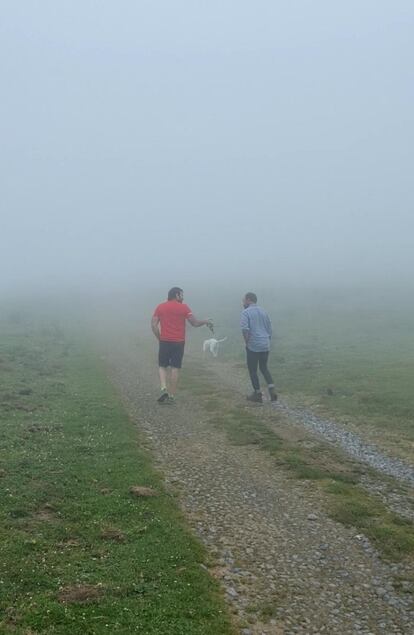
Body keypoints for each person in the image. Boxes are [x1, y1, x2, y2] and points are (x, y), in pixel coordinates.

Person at [151, 287, 213, 404]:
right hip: (179, 342)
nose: (183, 297)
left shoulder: (160, 307)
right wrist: (205, 321)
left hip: (164, 341)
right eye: (182, 295)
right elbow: (194, 323)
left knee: (162, 366)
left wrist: (159, 338)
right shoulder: (184, 308)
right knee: (175, 368)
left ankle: (163, 387)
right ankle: (172, 395)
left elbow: (153, 325)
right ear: (177, 295)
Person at [240, 292, 277, 403]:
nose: (243, 302)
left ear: (248, 299)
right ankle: (272, 390)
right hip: (265, 343)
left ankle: (257, 394)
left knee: (253, 370)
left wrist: (247, 343)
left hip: (254, 344)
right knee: (264, 368)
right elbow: (269, 328)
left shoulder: (245, 313)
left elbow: (245, 329)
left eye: (243, 300)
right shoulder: (263, 311)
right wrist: (267, 340)